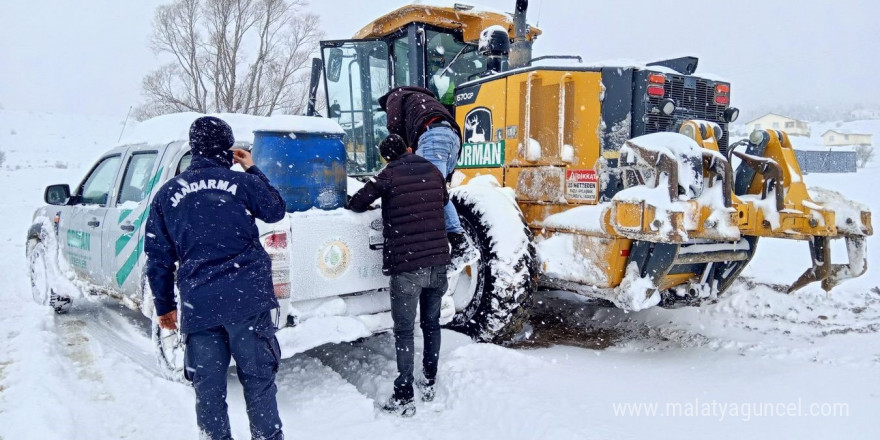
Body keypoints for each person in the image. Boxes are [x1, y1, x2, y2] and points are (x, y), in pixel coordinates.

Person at [145, 116, 287, 440]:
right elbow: (275, 209)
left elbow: (158, 258)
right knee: (259, 381)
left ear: (194, 148)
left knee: (208, 391)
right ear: (227, 147)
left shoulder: (167, 195)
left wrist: (165, 307)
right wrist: (252, 168)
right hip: (247, 301)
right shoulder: (241, 183)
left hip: (201, 307)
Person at [347, 134, 450, 417]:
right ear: (408, 148)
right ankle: (429, 381)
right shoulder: (432, 169)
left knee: (404, 332)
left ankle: (404, 396)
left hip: (408, 266)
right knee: (431, 324)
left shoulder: (387, 174)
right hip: (439, 262)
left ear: (385, 157)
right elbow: (443, 200)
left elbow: (357, 202)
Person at [378, 86, 476, 272]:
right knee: (436, 191)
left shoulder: (394, 97)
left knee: (432, 193)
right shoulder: (424, 99)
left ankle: (460, 243)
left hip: (433, 136)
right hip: (453, 137)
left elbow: (395, 130)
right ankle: (444, 243)